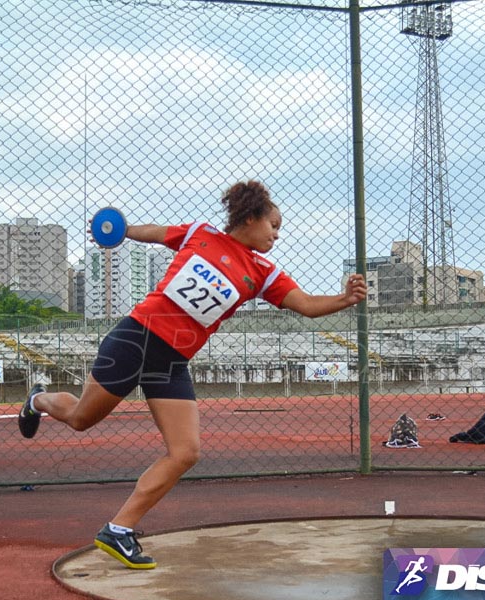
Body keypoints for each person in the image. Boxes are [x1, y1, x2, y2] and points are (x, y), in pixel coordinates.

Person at [18, 180, 367, 570]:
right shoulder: (201, 234)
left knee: (186, 452)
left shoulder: (263, 272)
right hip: (136, 339)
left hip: (171, 360)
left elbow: (305, 304)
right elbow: (157, 233)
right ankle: (37, 400)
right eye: (274, 225)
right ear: (250, 218)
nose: (277, 235)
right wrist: (122, 230)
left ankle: (119, 529)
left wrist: (344, 299)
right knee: (81, 418)